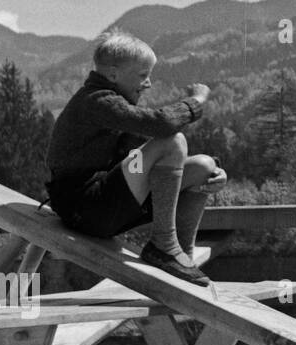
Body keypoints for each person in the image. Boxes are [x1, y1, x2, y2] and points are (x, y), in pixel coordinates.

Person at [45, 32, 226, 287]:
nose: (148, 83)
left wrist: (214, 174)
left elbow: (151, 157)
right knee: (172, 140)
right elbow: (162, 125)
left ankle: (182, 255)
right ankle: (164, 245)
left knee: (203, 166)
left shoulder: (112, 104)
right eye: (143, 75)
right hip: (84, 208)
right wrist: (195, 102)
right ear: (114, 74)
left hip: (104, 204)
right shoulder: (97, 101)